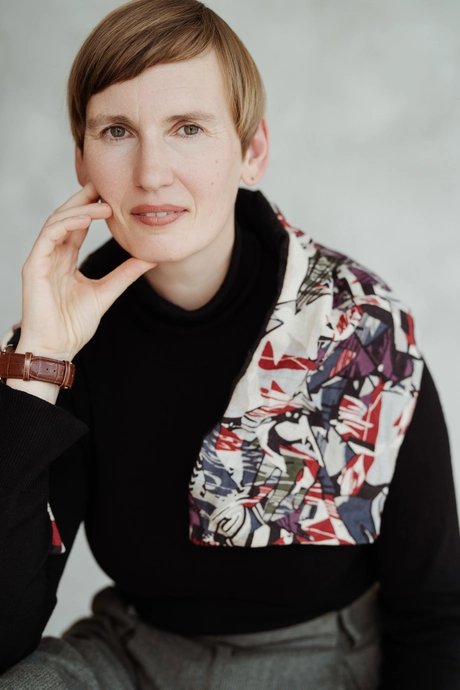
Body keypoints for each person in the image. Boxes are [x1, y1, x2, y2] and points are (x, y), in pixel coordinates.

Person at [0, 0, 459, 688]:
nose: (151, 172)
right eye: (118, 131)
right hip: (133, 653)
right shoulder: (60, 339)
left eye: (187, 128)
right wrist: (38, 364)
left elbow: (436, 611)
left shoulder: (358, 326)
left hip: (316, 661)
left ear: (252, 153)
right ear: (83, 160)